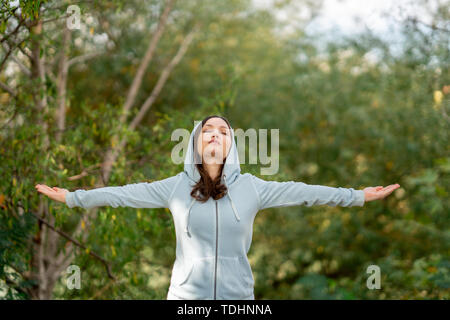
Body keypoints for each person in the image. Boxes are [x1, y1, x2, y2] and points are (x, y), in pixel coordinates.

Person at [35, 115, 400, 300]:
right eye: (207, 129)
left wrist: (357, 195)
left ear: (232, 146)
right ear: (195, 144)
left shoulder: (252, 188)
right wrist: (73, 197)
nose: (214, 134)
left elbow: (304, 191)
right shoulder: (175, 188)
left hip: (239, 299)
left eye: (223, 131)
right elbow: (122, 194)